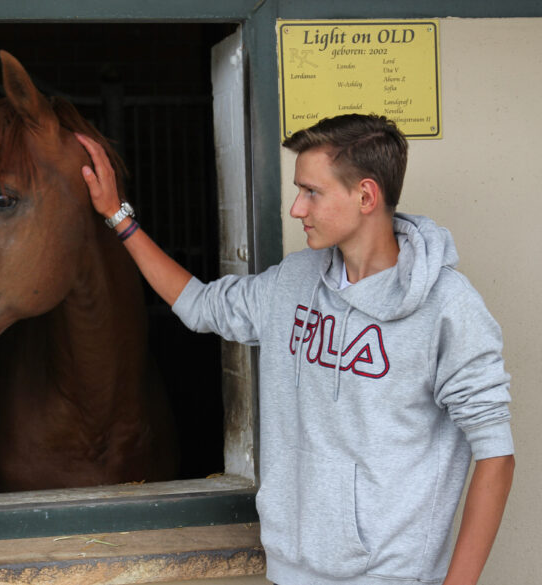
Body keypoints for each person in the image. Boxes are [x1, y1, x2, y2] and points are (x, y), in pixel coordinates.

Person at [75, 114, 514, 585]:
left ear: (366, 196)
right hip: (293, 571)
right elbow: (199, 305)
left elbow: (496, 456)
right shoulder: (294, 281)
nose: (296, 209)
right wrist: (118, 216)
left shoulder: (447, 308)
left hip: (391, 576)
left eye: (311, 192)